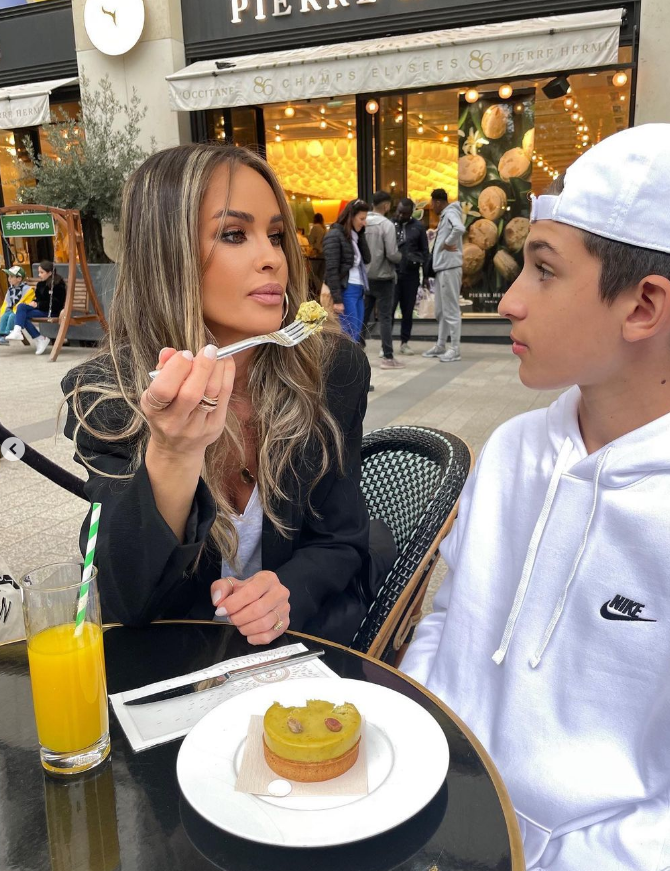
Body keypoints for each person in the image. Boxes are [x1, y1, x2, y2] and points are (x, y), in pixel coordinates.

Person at [401, 125, 670, 871]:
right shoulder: (514, 449)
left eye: (545, 271)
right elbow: (448, 617)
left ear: (643, 305)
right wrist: (409, 745)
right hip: (429, 816)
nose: (512, 300)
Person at [61, 144, 395, 648]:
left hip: (301, 650)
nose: (273, 258)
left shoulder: (331, 371)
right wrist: (173, 452)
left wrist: (286, 590)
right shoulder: (109, 396)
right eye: (234, 234)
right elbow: (126, 600)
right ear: (167, 255)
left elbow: (342, 540)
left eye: (276, 236)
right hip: (179, 664)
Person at [422, 188, 465, 363]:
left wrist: (448, 243)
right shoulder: (447, 215)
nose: (432, 207)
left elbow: (459, 228)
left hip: (449, 268)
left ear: (438, 202)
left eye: (433, 203)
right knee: (441, 310)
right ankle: (441, 345)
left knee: (451, 310)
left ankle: (454, 349)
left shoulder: (450, 213)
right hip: (444, 269)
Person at [363, 191, 403, 369]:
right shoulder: (387, 225)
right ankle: (387, 356)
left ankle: (358, 349)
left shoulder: (362, 221)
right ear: (386, 205)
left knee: (363, 316)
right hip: (384, 277)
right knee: (385, 317)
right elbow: (392, 253)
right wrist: (401, 257)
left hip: (365, 276)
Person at [323, 198, 371, 343]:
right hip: (346, 290)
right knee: (349, 334)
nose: (364, 222)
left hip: (359, 289)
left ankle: (354, 357)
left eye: (365, 219)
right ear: (351, 217)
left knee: (356, 332)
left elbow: (367, 258)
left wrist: (361, 234)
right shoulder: (334, 235)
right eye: (361, 219)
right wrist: (337, 300)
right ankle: (348, 358)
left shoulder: (355, 236)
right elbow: (332, 270)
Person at [6, 260, 66, 355]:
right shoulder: (40, 284)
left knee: (22, 315)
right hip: (41, 310)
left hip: (52, 312)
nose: (39, 275)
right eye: (39, 272)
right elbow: (38, 299)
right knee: (21, 307)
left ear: (50, 273)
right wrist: (34, 302)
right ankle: (19, 331)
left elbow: (57, 304)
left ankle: (39, 338)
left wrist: (38, 305)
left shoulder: (58, 285)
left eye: (42, 272)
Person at [393, 198, 429, 355]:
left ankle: (404, 342)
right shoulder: (390, 224)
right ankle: (386, 345)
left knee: (407, 310)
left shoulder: (418, 227)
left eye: (405, 213)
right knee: (389, 310)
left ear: (411, 213)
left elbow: (425, 251)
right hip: (393, 274)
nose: (401, 215)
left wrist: (425, 275)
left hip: (411, 274)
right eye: (399, 212)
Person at [0, 265, 31, 345]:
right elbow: (7, 302)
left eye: (11, 276)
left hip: (22, 311)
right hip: (13, 309)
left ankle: (6, 335)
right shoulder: (10, 289)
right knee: (5, 316)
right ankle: (1, 334)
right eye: (8, 276)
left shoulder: (26, 289)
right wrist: (6, 310)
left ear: (19, 279)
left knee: (12, 316)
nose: (9, 278)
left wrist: (14, 310)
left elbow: (26, 301)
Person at [307, 212, 326, 299]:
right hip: (324, 254)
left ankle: (320, 289)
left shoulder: (315, 227)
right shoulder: (324, 228)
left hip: (317, 254)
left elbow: (311, 240)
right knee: (321, 275)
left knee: (313, 273)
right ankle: (323, 291)